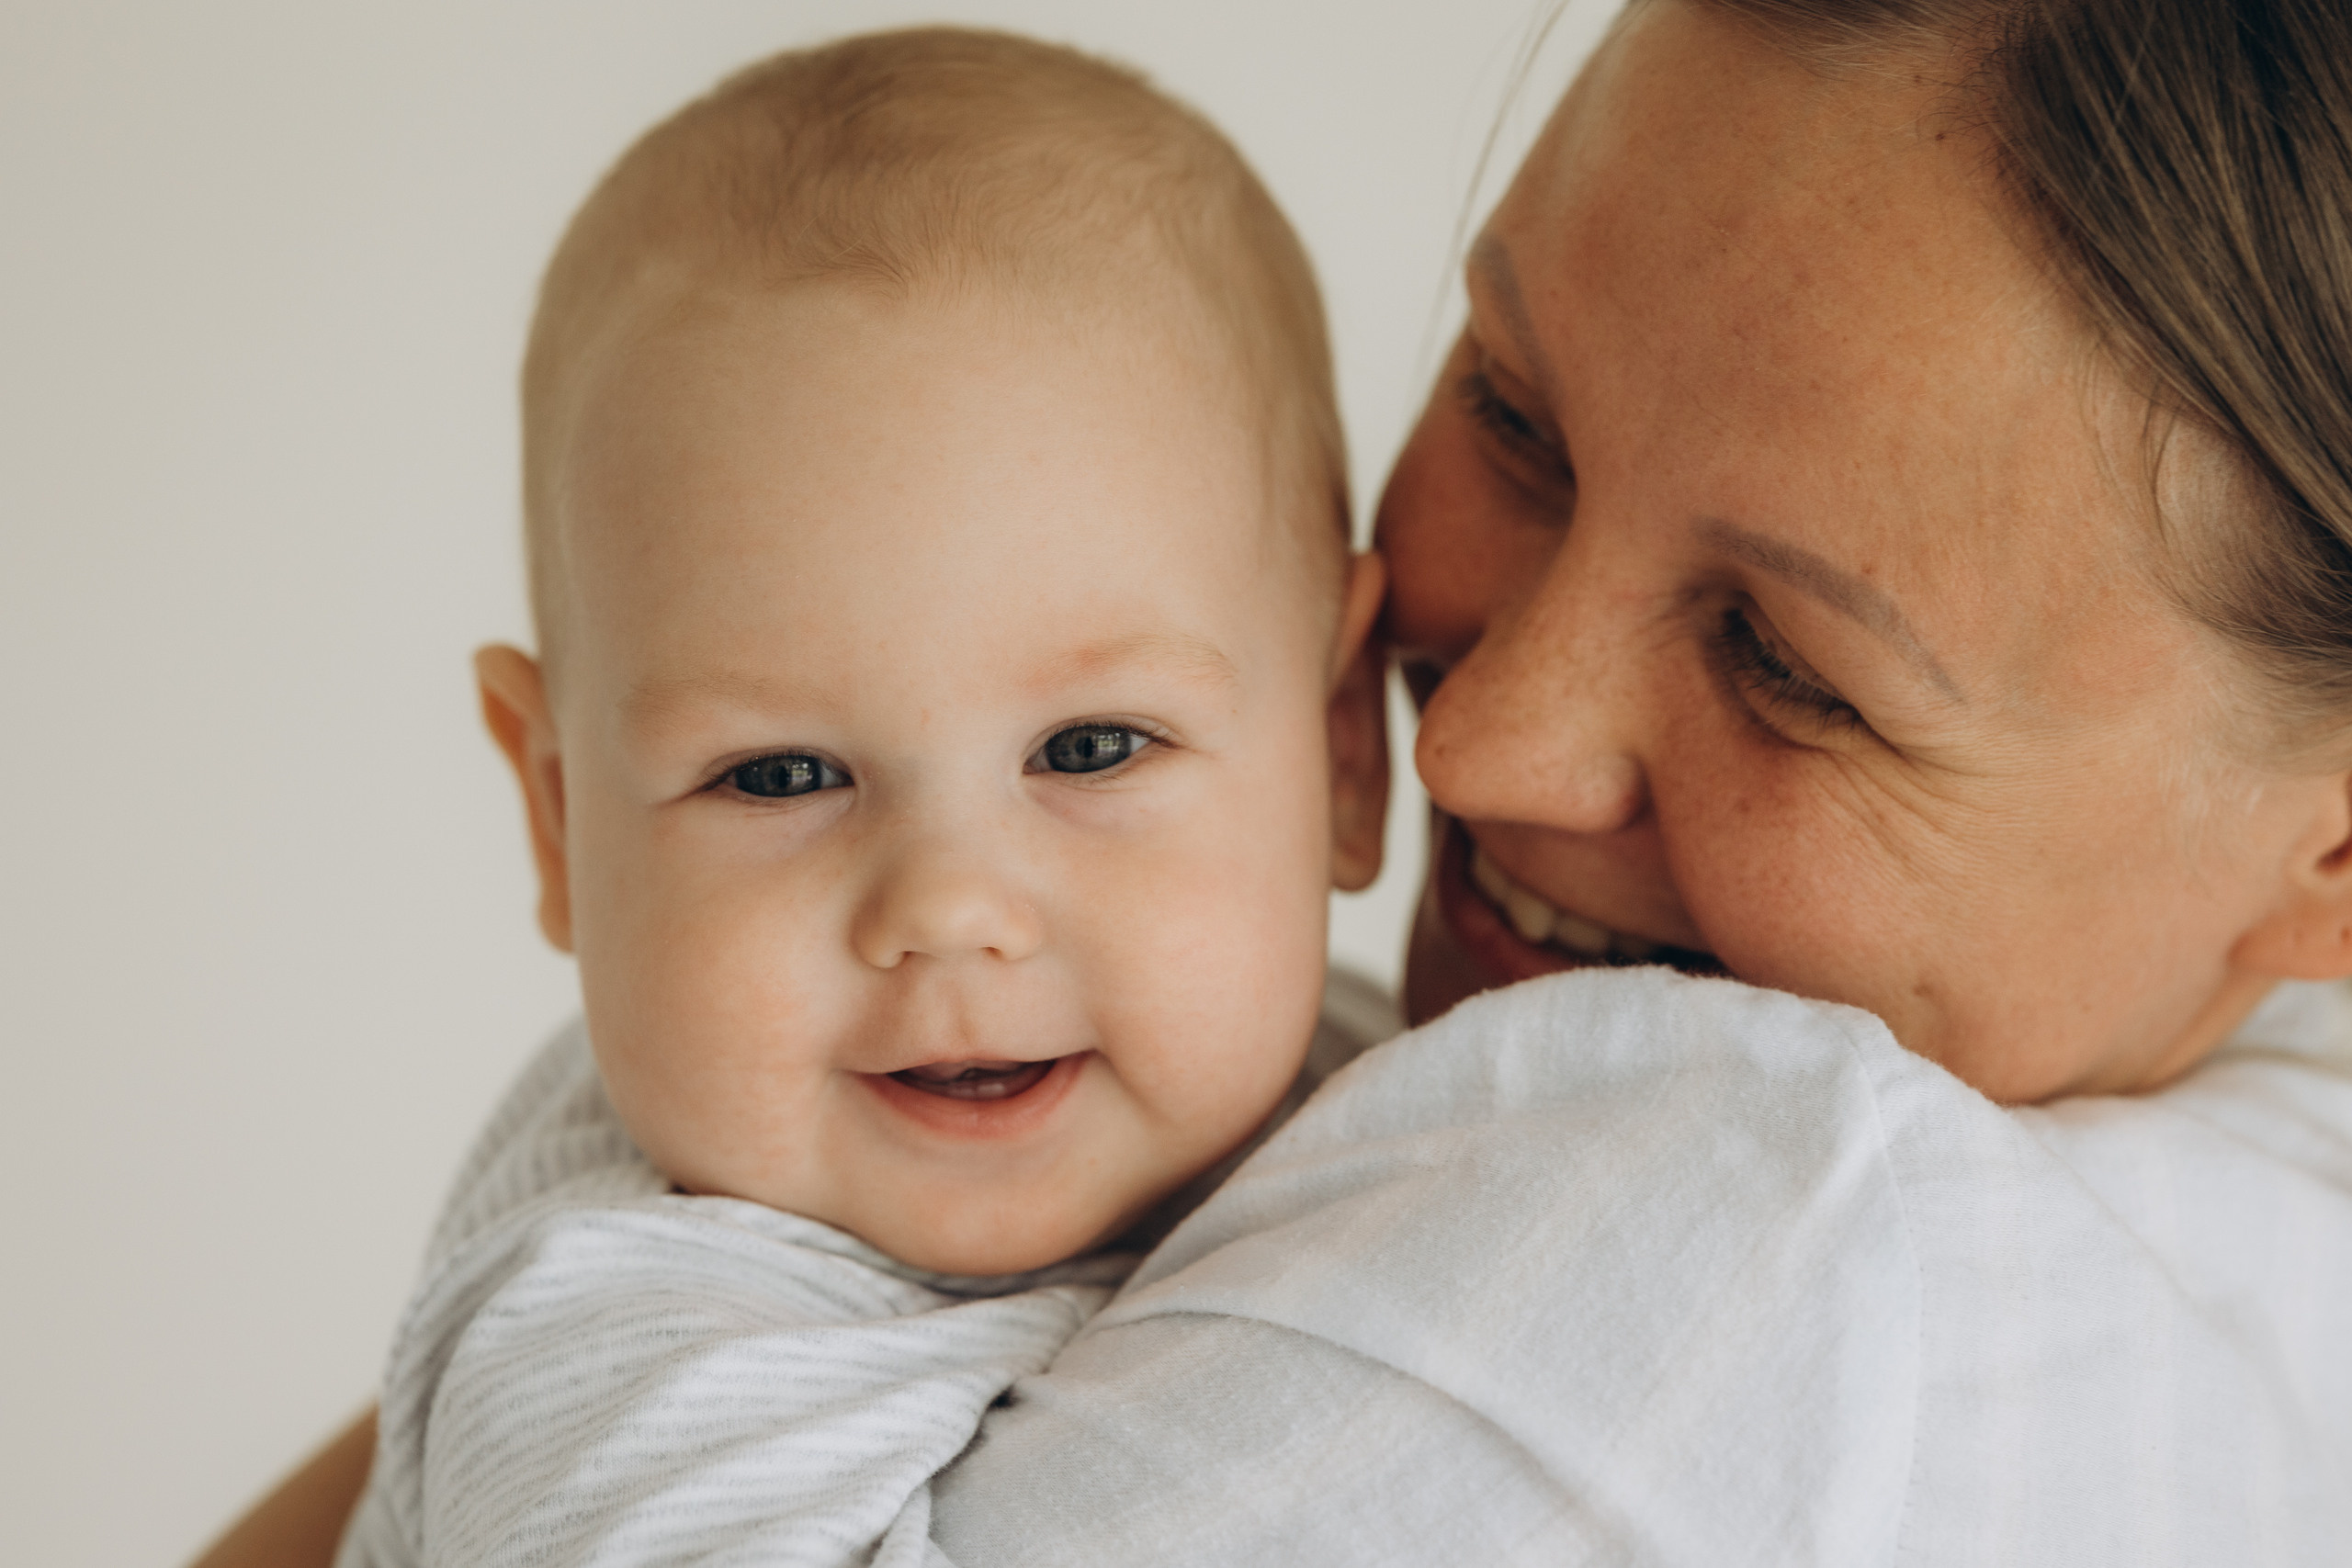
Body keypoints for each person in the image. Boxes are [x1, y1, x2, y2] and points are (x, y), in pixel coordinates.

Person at [193, 0, 2352, 1562]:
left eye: (1788, 665)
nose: (1461, 737)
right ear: (552, 809)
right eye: (1510, 411)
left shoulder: (1768, 1211)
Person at [322, 26, 1397, 1568]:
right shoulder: (627, 1379)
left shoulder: (1383, 1093)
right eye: (780, 775)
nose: (948, 907)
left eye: (1091, 748)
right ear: (560, 819)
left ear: (1340, 743)